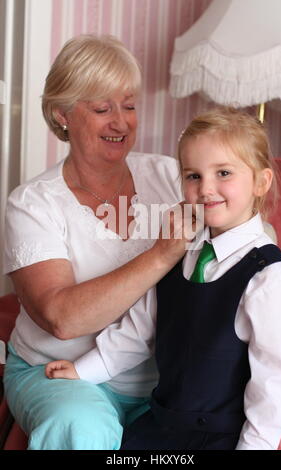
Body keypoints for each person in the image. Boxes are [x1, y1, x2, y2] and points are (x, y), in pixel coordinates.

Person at [46, 108, 281, 450]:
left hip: (222, 438)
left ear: (261, 182)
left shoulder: (271, 278)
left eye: (223, 173)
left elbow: (276, 384)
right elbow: (138, 332)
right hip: (160, 428)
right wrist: (84, 370)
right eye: (193, 176)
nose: (206, 188)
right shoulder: (180, 251)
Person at [3, 34, 198, 450]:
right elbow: (62, 318)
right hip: (57, 372)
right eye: (101, 108)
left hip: (163, 379)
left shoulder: (168, 177)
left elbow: (237, 224)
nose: (121, 122)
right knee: (83, 427)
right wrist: (162, 253)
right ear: (62, 115)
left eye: (128, 106)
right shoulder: (32, 204)